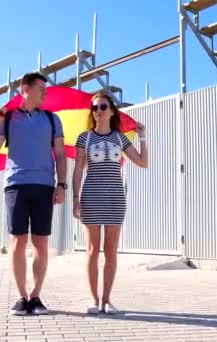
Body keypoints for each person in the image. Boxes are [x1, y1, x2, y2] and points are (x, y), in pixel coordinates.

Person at [0, 72, 67, 316]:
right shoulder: (9, 119)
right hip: (16, 185)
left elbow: (60, 155)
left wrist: (61, 185)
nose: (46, 92)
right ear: (25, 89)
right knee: (18, 241)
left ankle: (36, 296)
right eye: (42, 88)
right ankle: (21, 296)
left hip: (44, 186)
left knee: (41, 242)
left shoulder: (52, 120)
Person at [71, 92, 148, 315]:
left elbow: (143, 162)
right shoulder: (84, 138)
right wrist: (75, 199)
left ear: (112, 111)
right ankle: (95, 300)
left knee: (111, 251)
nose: (98, 111)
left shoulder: (120, 138)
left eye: (103, 107)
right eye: (94, 108)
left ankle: (107, 300)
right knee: (93, 250)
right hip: (91, 197)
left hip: (115, 199)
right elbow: (78, 170)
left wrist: (142, 137)